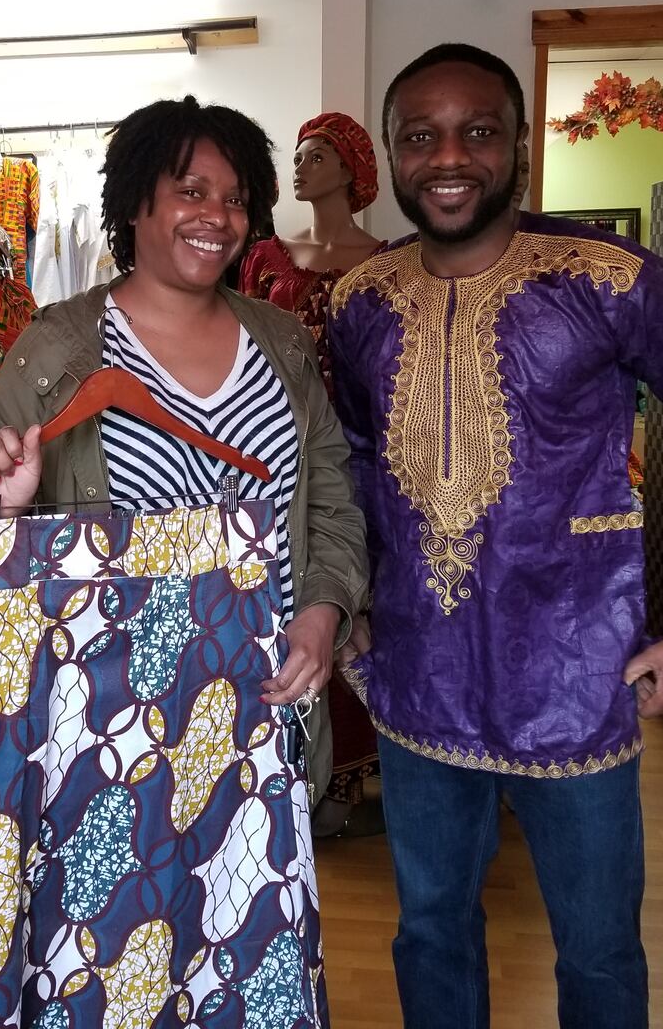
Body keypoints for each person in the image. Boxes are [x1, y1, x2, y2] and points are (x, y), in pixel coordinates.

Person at [328, 43, 663, 1029]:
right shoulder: (358, 302)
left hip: (576, 681)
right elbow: (355, 459)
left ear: (520, 148)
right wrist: (354, 604)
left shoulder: (608, 280)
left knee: (599, 949)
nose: (449, 157)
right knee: (430, 930)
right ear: (396, 157)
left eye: (477, 131)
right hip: (417, 682)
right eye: (420, 136)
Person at [0, 95, 369, 1021]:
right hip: (110, 727)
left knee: (249, 941)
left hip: (263, 708)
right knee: (111, 947)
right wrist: (6, 503)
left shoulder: (283, 343)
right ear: (136, 203)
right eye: (190, 190)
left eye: (233, 196)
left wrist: (324, 607)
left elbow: (333, 497)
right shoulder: (59, 349)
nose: (214, 216)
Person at [240, 110, 384, 836]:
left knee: (352, 602)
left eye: (318, 153)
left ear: (353, 167)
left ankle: (349, 776)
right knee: (287, 597)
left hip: (368, 453)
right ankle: (286, 766)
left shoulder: (389, 260)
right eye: (297, 153)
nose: (301, 165)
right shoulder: (263, 257)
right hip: (274, 455)